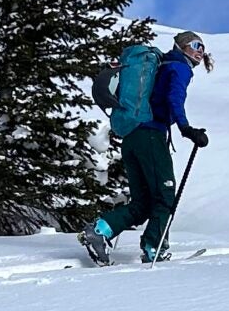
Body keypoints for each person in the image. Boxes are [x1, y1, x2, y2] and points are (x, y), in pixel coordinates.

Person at [79, 30, 211, 265]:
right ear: (181, 47)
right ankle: (154, 248)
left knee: (143, 203)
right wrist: (186, 129)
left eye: (202, 46)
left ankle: (99, 231)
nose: (200, 50)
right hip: (150, 136)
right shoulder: (179, 67)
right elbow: (174, 98)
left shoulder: (162, 65)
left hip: (132, 138)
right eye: (194, 45)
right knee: (165, 196)